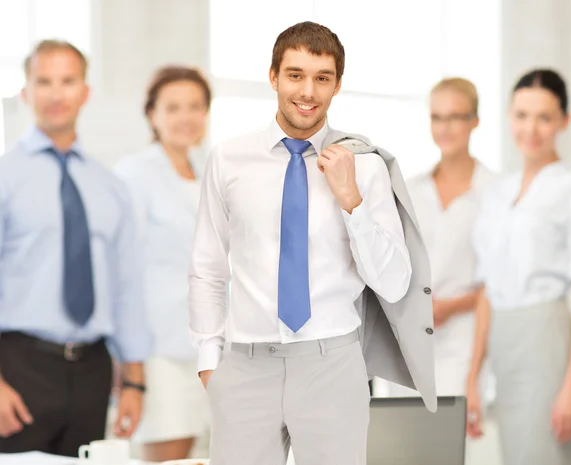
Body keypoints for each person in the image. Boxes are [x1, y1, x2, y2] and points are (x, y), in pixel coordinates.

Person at [188, 21, 435, 465]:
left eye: (322, 78)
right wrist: (211, 364)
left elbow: (395, 284)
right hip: (245, 366)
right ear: (273, 77)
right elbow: (207, 266)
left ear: (337, 85)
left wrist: (351, 200)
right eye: (295, 75)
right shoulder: (228, 159)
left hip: (333, 365)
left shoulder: (366, 168)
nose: (308, 91)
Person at [0, 40, 151, 457]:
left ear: (85, 92)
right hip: (17, 368)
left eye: (67, 81)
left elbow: (126, 288)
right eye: (43, 81)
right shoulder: (5, 177)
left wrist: (135, 382)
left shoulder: (110, 187)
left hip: (93, 372)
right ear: (25, 92)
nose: (55, 93)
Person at [466, 69, 571, 465]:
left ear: (564, 121)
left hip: (548, 342)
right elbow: (487, 289)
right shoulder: (496, 194)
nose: (531, 128)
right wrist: (474, 376)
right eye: (522, 115)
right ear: (509, 117)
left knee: (550, 455)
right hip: (504, 344)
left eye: (545, 117)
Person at [114, 65, 212, 462]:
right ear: (152, 115)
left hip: (211, 350)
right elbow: (123, 270)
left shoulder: (210, 171)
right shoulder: (134, 173)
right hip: (160, 351)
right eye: (172, 107)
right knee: (169, 456)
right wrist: (129, 368)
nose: (185, 117)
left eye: (195, 106)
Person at [402, 78, 495, 396]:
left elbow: (497, 279)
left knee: (453, 439)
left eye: (455, 117)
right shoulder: (410, 191)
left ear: (475, 122)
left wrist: (452, 306)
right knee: (407, 441)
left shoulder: (495, 193)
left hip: (463, 341)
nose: (445, 127)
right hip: (410, 340)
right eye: (437, 117)